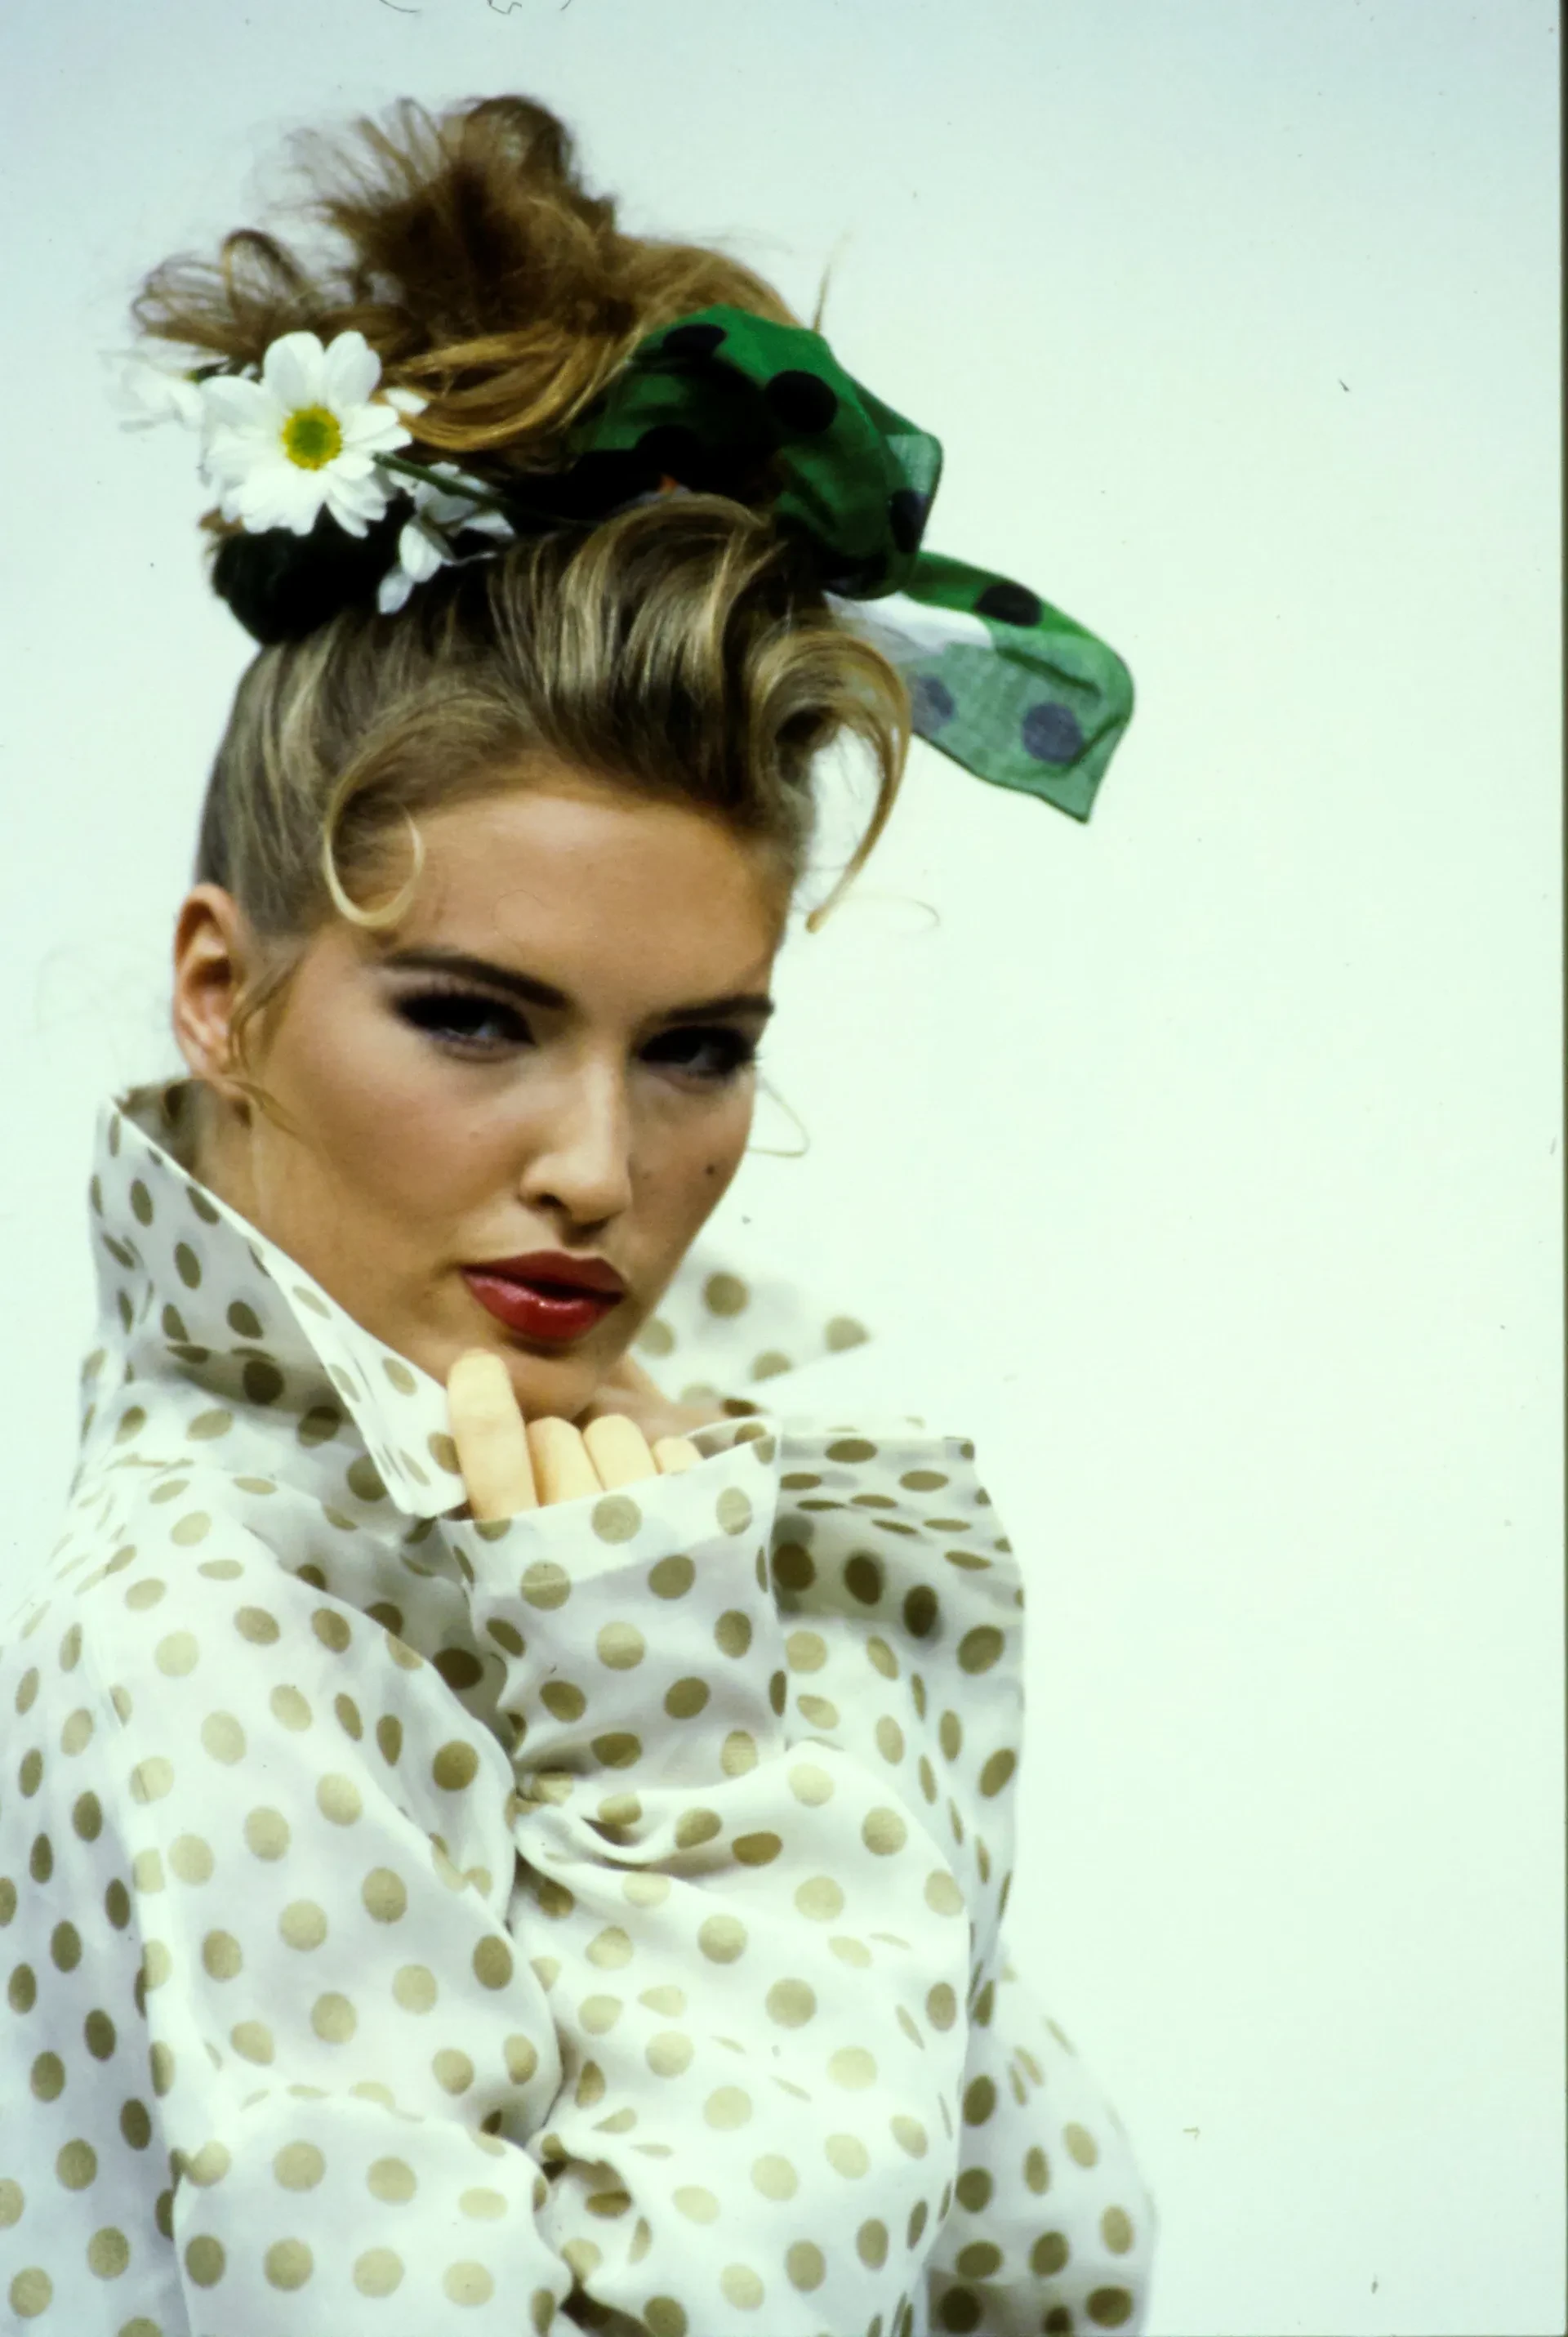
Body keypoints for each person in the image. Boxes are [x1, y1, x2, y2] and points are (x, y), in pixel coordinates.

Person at [0, 94, 1157, 2336]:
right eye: (473, 1019)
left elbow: (1050, 2257)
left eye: (698, 1047)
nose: (603, 1169)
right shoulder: (222, 1626)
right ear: (223, 992)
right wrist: (674, 1755)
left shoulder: (658, 1495)